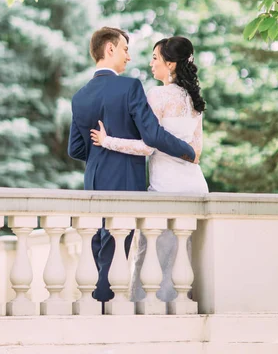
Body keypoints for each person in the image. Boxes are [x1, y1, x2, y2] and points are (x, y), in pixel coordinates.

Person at [68, 27, 196, 304]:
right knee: (118, 245)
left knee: (97, 243)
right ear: (110, 49)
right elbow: (151, 135)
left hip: (93, 178)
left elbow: (76, 148)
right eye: (125, 49)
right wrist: (187, 150)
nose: (129, 56)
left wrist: (100, 151)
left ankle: (96, 303)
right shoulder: (130, 87)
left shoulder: (79, 96)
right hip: (125, 178)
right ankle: (106, 306)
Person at [91, 35, 208, 194]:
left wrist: (106, 141)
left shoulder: (157, 94)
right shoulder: (195, 100)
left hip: (167, 187)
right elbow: (196, 153)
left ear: (170, 64)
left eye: (155, 58)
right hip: (197, 186)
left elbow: (148, 147)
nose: (151, 63)